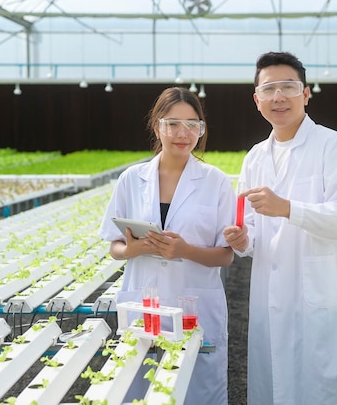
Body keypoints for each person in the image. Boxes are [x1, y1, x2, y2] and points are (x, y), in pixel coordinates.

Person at [223, 51, 337, 405]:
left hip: (313, 296)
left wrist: (288, 209)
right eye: (269, 89)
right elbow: (253, 229)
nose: (279, 97)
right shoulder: (255, 156)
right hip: (268, 297)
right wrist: (243, 239)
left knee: (318, 386)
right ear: (257, 100)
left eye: (288, 87)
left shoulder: (332, 146)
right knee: (271, 385)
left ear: (305, 94)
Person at [99, 86, 235, 405]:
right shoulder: (131, 180)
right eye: (173, 123)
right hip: (143, 304)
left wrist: (184, 251)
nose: (183, 133)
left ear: (201, 130)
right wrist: (133, 250)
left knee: (195, 391)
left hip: (194, 307)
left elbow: (226, 255)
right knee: (140, 390)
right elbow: (115, 247)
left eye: (192, 124)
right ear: (157, 125)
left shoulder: (215, 181)